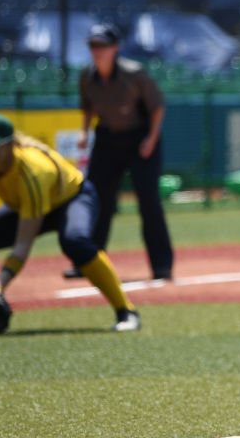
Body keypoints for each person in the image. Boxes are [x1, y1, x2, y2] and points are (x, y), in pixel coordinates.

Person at [0, 113, 142, 332]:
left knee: (75, 241)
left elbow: (23, 245)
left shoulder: (31, 173)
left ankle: (126, 311)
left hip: (72, 199)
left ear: (8, 146)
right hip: (26, 205)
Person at [62, 23, 174, 281]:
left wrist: (151, 139)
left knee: (148, 202)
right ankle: (87, 262)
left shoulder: (134, 74)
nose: (97, 51)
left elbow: (157, 107)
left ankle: (161, 266)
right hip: (108, 139)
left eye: (102, 46)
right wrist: (83, 132)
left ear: (116, 48)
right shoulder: (87, 76)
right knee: (95, 200)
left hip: (140, 139)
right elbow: (87, 107)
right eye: (93, 46)